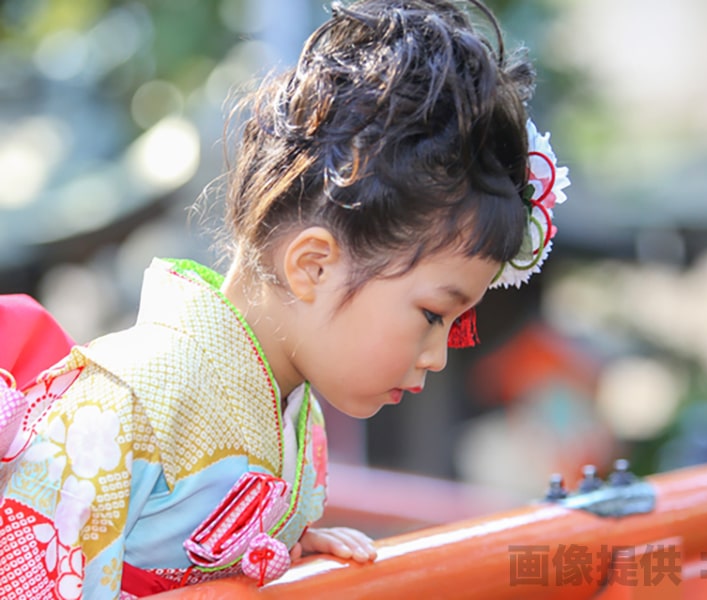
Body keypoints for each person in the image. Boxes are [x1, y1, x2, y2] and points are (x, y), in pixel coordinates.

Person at [0, 0, 569, 597]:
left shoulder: (297, 420)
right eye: (433, 315)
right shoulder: (126, 404)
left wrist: (286, 553)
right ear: (313, 266)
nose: (437, 355)